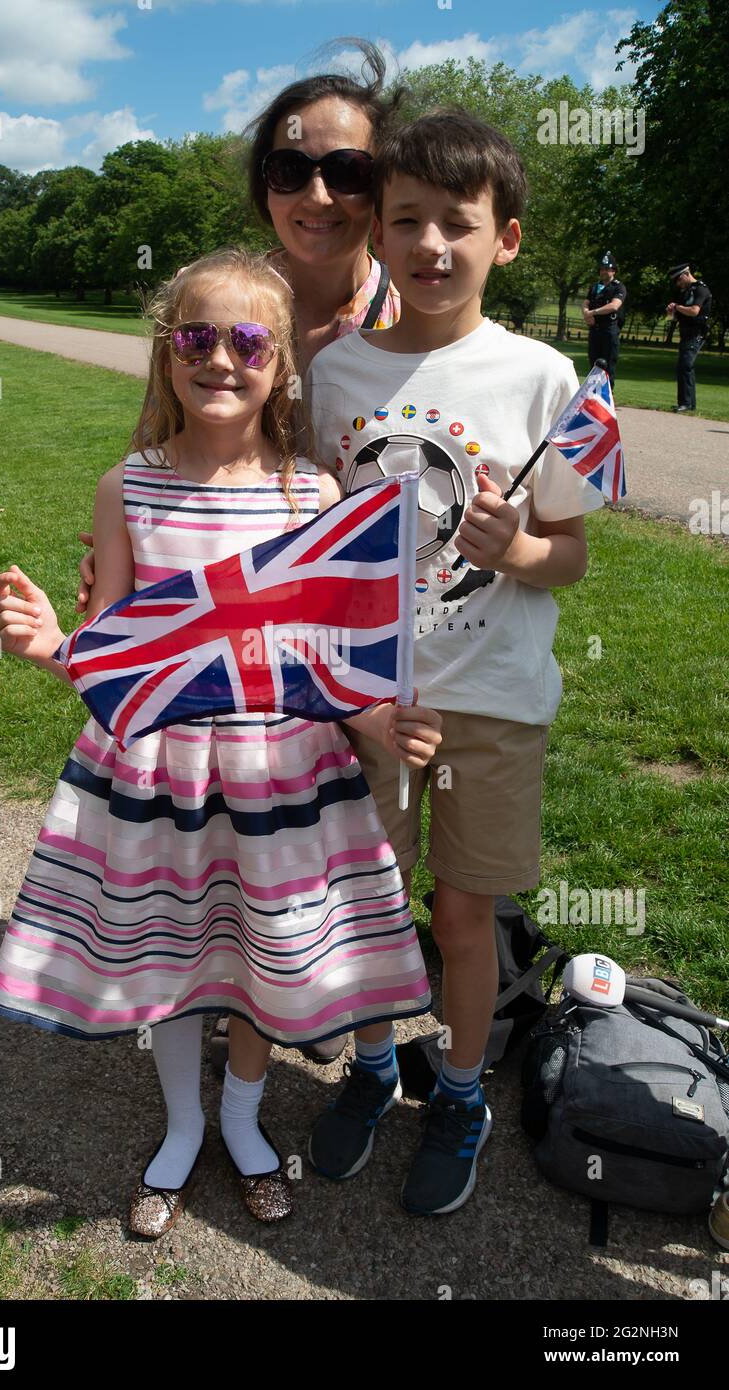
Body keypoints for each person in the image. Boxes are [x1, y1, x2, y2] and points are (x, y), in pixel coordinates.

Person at [0, 248, 441, 1239]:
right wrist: (47, 645)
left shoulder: (308, 498)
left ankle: (242, 1116)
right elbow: (111, 658)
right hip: (159, 773)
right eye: (198, 337)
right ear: (167, 352)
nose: (221, 359)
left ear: (281, 365)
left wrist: (379, 722)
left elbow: (321, 665)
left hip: (279, 773)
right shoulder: (127, 489)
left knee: (259, 954)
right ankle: (182, 1125)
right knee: (171, 953)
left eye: (247, 342)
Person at [75, 39, 405, 1066]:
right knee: (231, 857)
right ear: (265, 187)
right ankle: (232, 995)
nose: (318, 191)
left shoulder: (412, 309)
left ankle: (344, 1031)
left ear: (379, 183)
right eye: (290, 169)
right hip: (228, 654)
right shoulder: (235, 303)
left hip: (380, 644)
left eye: (347, 171)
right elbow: (163, 444)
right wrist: (130, 568)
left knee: (362, 849)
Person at [304, 108, 604, 1216]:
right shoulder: (334, 373)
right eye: (406, 221)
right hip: (370, 702)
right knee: (371, 904)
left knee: (464, 917)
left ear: (506, 239)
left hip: (491, 701)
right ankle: (377, 1068)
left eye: (458, 225)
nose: (432, 245)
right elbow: (309, 539)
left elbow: (568, 554)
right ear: (375, 237)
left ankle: (464, 1090)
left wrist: (516, 546)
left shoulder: (541, 375)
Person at [667, 261, 712, 412]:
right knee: (684, 366)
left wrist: (678, 307)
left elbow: (694, 311)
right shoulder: (684, 293)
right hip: (685, 333)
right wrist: (671, 312)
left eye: (679, 279)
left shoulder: (701, 289)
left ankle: (686, 403)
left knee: (685, 365)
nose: (678, 284)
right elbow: (675, 318)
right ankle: (688, 403)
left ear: (686, 274)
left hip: (697, 332)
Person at [583, 251, 626, 388]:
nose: (603, 272)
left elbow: (614, 306)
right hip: (595, 330)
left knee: (607, 365)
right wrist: (586, 313)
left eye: (607, 269)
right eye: (602, 269)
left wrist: (593, 312)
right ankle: (592, 396)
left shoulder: (618, 287)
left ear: (613, 271)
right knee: (593, 364)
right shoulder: (595, 287)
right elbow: (585, 302)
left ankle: (607, 398)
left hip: (609, 330)